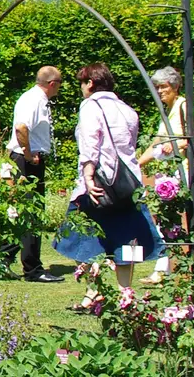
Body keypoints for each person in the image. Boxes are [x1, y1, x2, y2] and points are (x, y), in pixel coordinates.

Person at [54, 63, 163, 294]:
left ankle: (93, 292)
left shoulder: (90, 107)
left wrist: (88, 176)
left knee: (81, 236)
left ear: (90, 83)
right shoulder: (127, 109)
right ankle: (126, 293)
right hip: (127, 185)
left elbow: (90, 144)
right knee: (127, 239)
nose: (82, 88)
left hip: (99, 184)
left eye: (82, 83)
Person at [7, 66, 65, 282]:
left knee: (26, 211)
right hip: (28, 160)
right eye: (59, 84)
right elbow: (21, 128)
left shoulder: (33, 98)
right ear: (52, 84)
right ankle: (33, 269)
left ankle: (5, 256)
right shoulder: (35, 100)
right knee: (32, 213)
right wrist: (29, 154)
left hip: (25, 158)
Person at [140, 66, 194, 184]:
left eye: (164, 86)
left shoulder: (185, 107)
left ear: (175, 87)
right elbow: (155, 145)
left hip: (184, 171)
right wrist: (136, 164)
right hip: (167, 172)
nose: (159, 91)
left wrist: (177, 144)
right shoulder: (166, 112)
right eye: (157, 87)